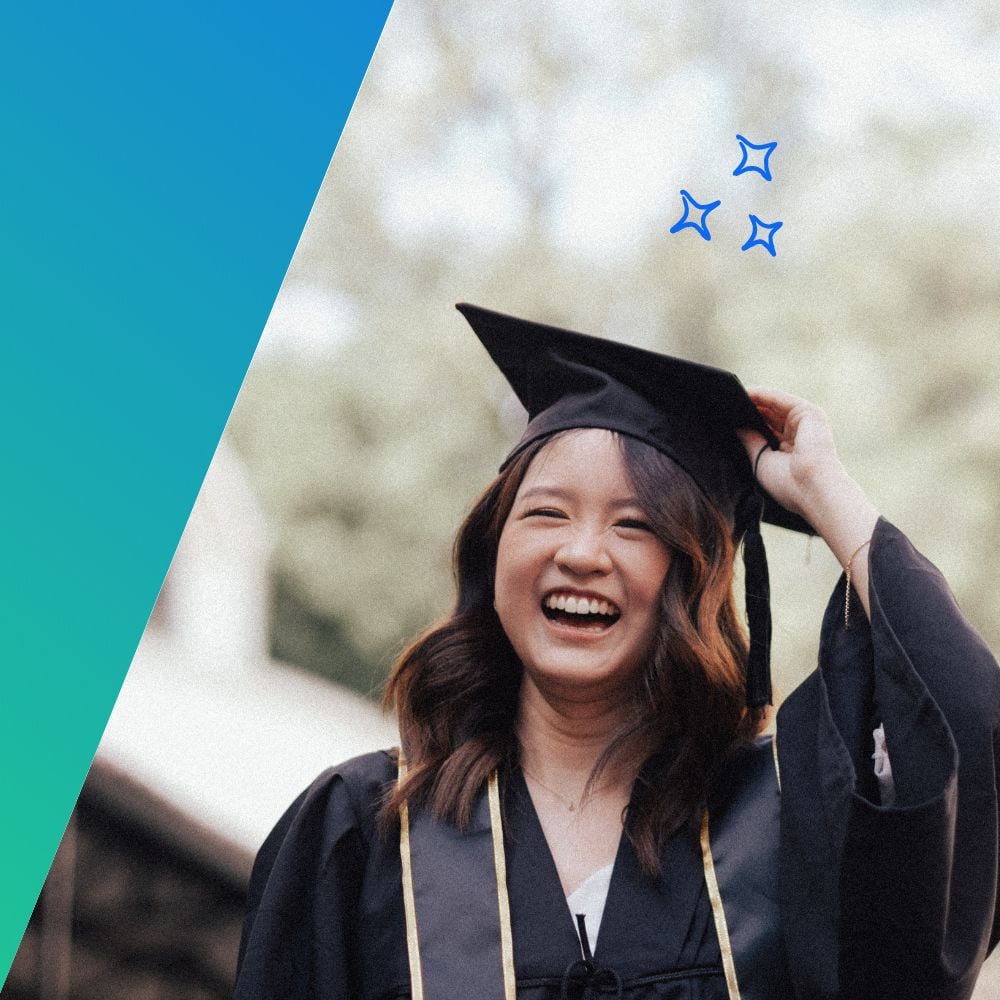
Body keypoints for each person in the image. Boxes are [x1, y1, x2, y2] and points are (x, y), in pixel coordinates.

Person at [235, 304, 1000, 1000]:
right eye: (545, 514)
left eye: (634, 525)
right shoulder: (362, 836)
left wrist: (825, 491)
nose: (582, 552)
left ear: (694, 578)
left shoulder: (784, 824)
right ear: (491, 552)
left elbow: (967, 742)